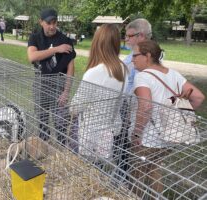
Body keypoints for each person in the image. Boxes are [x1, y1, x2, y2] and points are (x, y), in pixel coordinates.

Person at [130, 40, 205, 199]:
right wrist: (180, 113)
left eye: (135, 55)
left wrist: (136, 133)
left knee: (138, 175)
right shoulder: (173, 74)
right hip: (168, 136)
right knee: (154, 169)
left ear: (148, 56)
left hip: (147, 138)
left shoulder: (142, 77)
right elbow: (198, 97)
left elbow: (145, 107)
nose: (132, 59)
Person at [70, 24, 127, 166]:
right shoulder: (123, 69)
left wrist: (73, 106)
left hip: (90, 135)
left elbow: (76, 107)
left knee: (87, 171)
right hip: (108, 133)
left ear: (97, 43)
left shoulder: (94, 72)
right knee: (100, 174)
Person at [27, 8, 76, 145]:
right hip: (40, 82)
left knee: (60, 120)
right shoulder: (35, 38)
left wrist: (66, 91)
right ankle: (44, 146)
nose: (52, 26)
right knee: (42, 118)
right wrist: (56, 49)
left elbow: (71, 67)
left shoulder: (65, 40)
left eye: (54, 22)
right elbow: (32, 56)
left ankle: (61, 148)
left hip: (59, 84)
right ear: (41, 22)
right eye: (49, 23)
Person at [113, 18, 153, 183]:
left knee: (138, 159)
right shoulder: (132, 56)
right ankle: (121, 175)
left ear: (141, 36)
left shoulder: (148, 59)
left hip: (138, 114)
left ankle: (129, 184)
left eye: (130, 36)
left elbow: (143, 98)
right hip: (126, 108)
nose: (126, 40)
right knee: (122, 147)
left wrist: (137, 127)